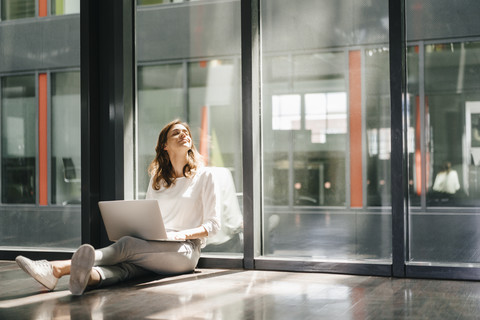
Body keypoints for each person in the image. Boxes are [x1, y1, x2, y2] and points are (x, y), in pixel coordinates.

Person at [15, 119, 221, 295]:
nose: (183, 134)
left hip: (185, 251)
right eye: (176, 133)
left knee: (127, 245)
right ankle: (88, 279)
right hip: (154, 247)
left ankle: (54, 269)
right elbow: (151, 217)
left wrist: (182, 235)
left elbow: (213, 225)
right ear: (164, 146)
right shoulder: (157, 181)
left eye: (186, 132)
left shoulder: (205, 176)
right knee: (126, 269)